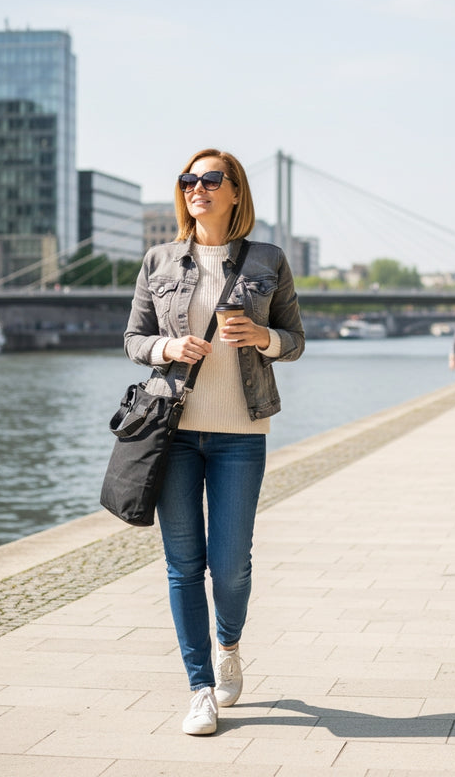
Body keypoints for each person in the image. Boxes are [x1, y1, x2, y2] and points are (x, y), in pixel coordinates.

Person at [123, 148, 305, 736]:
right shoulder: (158, 260)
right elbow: (134, 338)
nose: (196, 188)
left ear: (234, 192)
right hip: (171, 432)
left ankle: (229, 643)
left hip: (240, 433)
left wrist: (261, 336)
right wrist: (167, 349)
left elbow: (296, 339)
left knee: (229, 566)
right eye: (188, 180)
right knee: (184, 565)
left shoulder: (269, 259)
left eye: (209, 179)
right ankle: (200, 687)